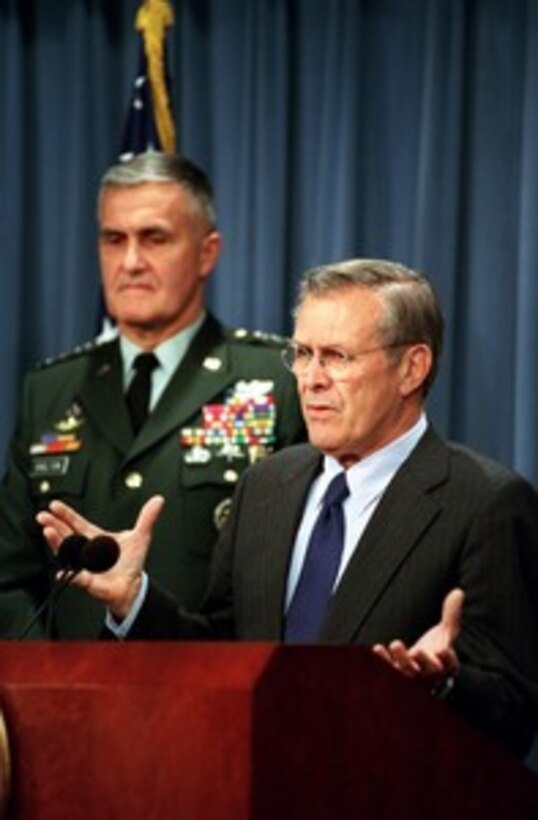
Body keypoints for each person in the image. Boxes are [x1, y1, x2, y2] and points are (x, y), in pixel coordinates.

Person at [38, 259, 538, 757]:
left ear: (412, 368)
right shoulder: (267, 485)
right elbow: (226, 656)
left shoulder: (484, 503)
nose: (311, 379)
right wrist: (135, 601)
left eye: (337, 356)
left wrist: (442, 685)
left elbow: (513, 711)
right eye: (302, 354)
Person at [0, 151, 305, 639]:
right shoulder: (50, 389)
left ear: (208, 252)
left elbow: (296, 578)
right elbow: (8, 576)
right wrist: (47, 687)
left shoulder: (276, 380)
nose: (131, 262)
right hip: (65, 701)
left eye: (155, 238)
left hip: (210, 696)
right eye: (113, 239)